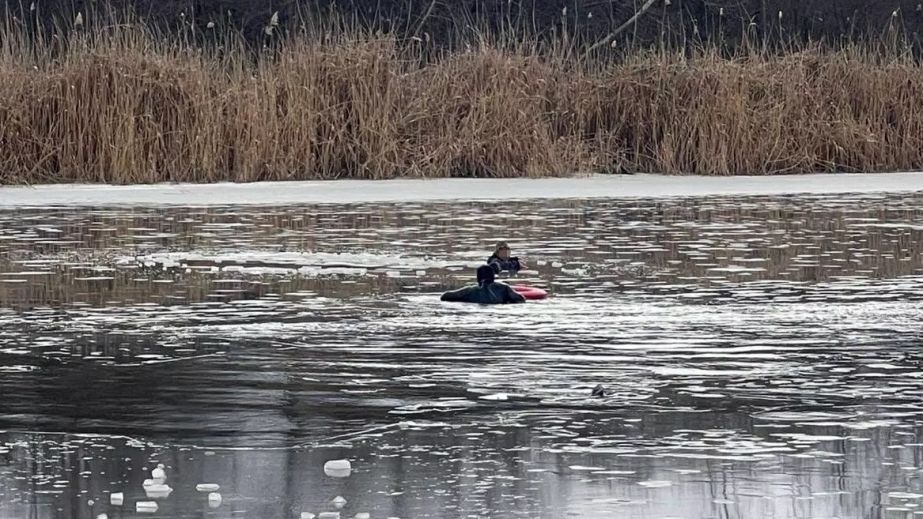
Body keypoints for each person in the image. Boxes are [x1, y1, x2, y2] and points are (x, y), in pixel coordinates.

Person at [440, 265, 526, 304]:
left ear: (478, 278)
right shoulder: (504, 288)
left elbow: (445, 296)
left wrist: (463, 300)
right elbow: (521, 299)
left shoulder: (469, 291)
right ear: (493, 277)